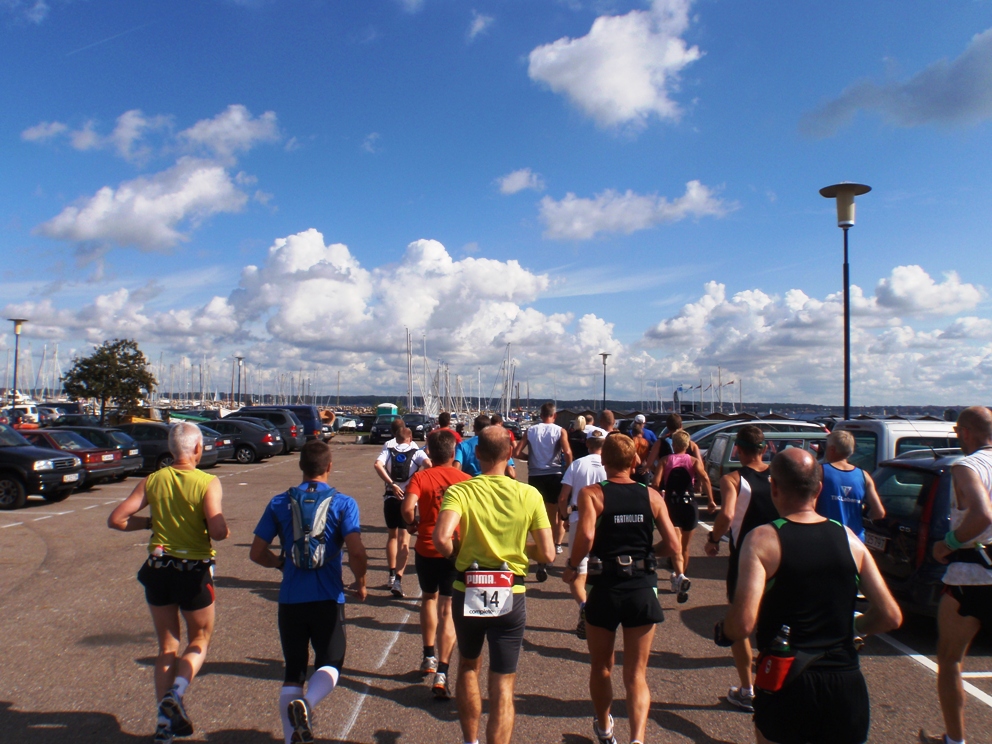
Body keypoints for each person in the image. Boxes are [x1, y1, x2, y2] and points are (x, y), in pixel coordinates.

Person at [718, 448, 901, 744]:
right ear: (819, 488)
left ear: (774, 487)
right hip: (845, 683)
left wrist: (723, 631)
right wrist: (855, 628)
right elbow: (890, 616)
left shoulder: (763, 539)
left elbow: (742, 624)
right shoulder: (849, 538)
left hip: (787, 680)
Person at [108, 422, 229, 744]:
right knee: (200, 638)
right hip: (193, 570)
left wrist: (151, 521)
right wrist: (220, 529)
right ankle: (176, 692)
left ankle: (164, 723)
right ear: (198, 449)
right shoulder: (207, 482)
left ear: (172, 449)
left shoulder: (152, 480)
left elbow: (117, 519)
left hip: (158, 568)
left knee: (166, 646)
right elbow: (217, 531)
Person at [434, 425, 555, 744]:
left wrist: (457, 552)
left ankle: (470, 740)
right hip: (510, 590)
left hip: (469, 586)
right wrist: (519, 551)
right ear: (511, 453)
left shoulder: (460, 491)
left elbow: (441, 538)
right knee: (503, 684)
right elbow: (548, 553)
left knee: (469, 667)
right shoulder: (529, 494)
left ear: (476, 454)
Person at [249, 440, 368, 744]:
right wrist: (361, 580)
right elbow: (356, 551)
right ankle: (307, 704)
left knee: (293, 671)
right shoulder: (344, 503)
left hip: (291, 598)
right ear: (329, 467)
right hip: (327, 597)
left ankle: (292, 738)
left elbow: (256, 552)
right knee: (331, 662)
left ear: (301, 466)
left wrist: (280, 564)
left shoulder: (279, 502)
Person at [564, 434, 680, 744]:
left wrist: (573, 565)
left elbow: (587, 536)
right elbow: (673, 544)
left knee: (602, 667)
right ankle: (638, 739)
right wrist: (649, 554)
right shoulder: (652, 496)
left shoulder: (593, 494)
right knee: (636, 674)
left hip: (605, 586)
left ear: (603, 461)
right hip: (641, 586)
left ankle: (604, 728)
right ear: (634, 462)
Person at [921, 407, 992, 744]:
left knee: (950, 659)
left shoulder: (967, 465)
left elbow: (981, 514)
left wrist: (947, 544)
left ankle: (955, 739)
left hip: (971, 574)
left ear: (965, 432)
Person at [704, 425, 774, 713]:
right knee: (775, 622)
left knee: (741, 622)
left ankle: (747, 689)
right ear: (765, 448)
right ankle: (775, 684)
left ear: (738, 450)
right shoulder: (778, 476)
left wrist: (713, 538)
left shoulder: (733, 479)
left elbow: (728, 514)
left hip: (746, 558)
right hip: (779, 556)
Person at [402, 429, 471, 699]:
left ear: (429, 452)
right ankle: (443, 670)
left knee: (428, 599)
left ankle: (428, 655)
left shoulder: (422, 476)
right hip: (454, 548)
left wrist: (412, 524)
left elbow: (408, 507)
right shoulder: (465, 480)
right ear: (453, 453)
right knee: (448, 608)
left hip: (427, 547)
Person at [557, 430, 608, 638]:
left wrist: (564, 517)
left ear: (587, 444)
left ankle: (584, 605)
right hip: (604, 520)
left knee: (578, 571)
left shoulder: (577, 465)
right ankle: (600, 614)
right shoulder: (609, 466)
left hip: (579, 519)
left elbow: (563, 496)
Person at [654, 429, 715, 603]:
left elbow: (656, 483)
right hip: (690, 506)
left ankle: (679, 576)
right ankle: (680, 577)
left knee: (675, 546)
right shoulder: (694, 461)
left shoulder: (666, 460)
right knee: (685, 547)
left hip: (672, 505)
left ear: (673, 445)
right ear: (688, 445)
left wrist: (657, 495)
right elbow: (705, 478)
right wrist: (710, 500)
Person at [514, 402, 573, 579]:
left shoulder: (531, 431)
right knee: (553, 515)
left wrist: (529, 458)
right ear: (554, 416)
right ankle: (552, 549)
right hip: (554, 474)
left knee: (534, 515)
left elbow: (516, 452)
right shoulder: (559, 431)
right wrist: (570, 471)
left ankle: (534, 547)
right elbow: (568, 452)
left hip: (536, 475)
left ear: (541, 415)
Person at [374, 426, 431, 598]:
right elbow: (428, 465)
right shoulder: (416, 451)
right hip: (408, 498)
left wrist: (391, 483)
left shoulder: (388, 449)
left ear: (395, 437)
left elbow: (377, 464)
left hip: (391, 496)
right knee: (404, 540)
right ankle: (399, 578)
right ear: (410, 437)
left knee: (392, 536)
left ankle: (391, 574)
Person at [815, 430, 885, 541]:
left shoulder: (820, 471)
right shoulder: (864, 476)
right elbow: (879, 512)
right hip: (855, 540)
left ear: (832, 449)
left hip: (826, 538)